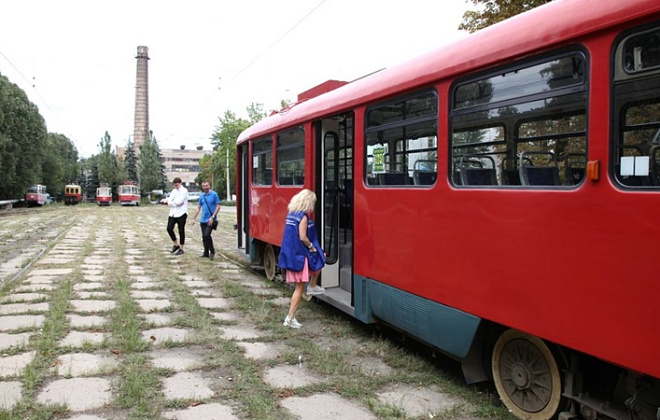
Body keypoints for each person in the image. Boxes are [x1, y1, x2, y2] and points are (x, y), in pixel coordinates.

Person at [277, 189, 326, 329]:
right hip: (300, 256)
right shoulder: (303, 217)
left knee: (319, 261)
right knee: (299, 289)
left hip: (293, 255)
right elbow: (303, 237)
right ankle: (290, 318)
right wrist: (312, 247)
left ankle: (312, 286)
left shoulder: (291, 214)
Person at [191, 180, 221, 260]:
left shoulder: (214, 194)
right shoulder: (202, 196)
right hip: (203, 220)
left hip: (211, 219)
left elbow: (218, 206)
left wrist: (213, 216)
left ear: (209, 185)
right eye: (203, 186)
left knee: (207, 235)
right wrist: (194, 218)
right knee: (204, 237)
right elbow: (198, 208)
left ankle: (212, 251)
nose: (205, 187)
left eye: (206, 185)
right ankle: (205, 252)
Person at [166, 177, 189, 255]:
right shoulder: (173, 191)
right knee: (169, 228)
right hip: (173, 213)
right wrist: (173, 203)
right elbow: (169, 201)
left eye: (177, 185)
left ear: (180, 183)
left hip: (182, 213)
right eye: (175, 185)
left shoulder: (184, 191)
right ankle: (176, 244)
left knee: (181, 230)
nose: (176, 186)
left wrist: (173, 203)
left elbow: (180, 202)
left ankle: (181, 248)